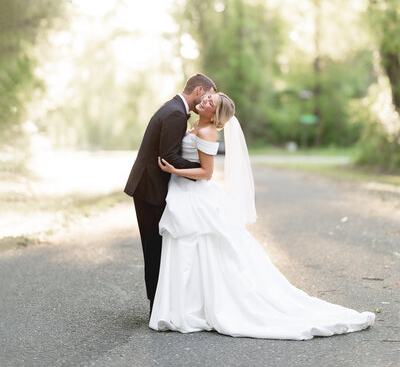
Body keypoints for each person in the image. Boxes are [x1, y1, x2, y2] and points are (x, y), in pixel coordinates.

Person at [150, 92, 375, 339]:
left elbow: (207, 172)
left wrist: (175, 170)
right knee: (187, 249)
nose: (204, 101)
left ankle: (194, 308)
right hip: (183, 194)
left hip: (195, 194)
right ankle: (184, 305)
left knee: (202, 247)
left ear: (214, 115)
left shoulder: (207, 132)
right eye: (207, 98)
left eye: (210, 103)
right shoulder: (195, 125)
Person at [124, 73, 217, 313]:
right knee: (154, 246)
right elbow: (169, 157)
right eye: (207, 97)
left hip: (150, 185)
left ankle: (163, 302)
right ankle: (157, 305)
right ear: (198, 91)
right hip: (150, 188)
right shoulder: (176, 113)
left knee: (161, 245)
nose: (207, 102)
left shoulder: (174, 108)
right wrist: (202, 171)